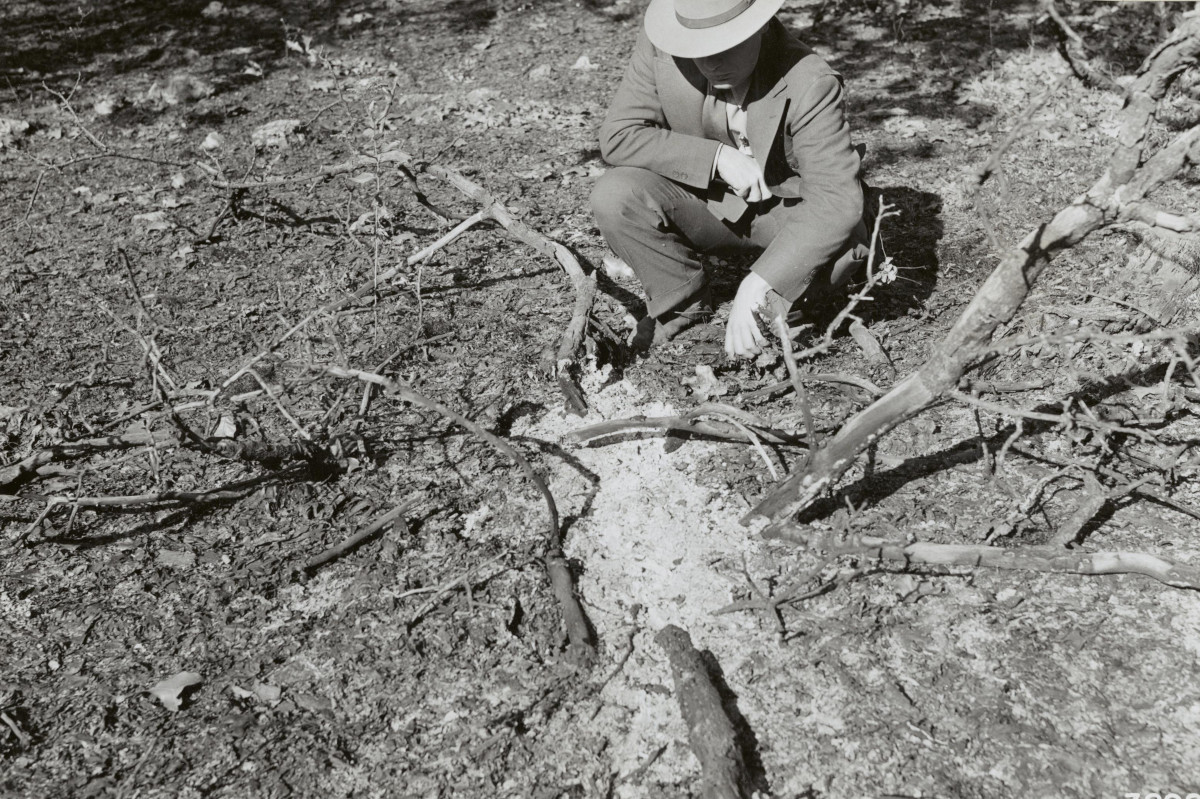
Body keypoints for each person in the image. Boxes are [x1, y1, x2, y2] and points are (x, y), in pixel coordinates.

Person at [591, 0, 873, 359]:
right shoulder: (664, 48)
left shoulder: (810, 80)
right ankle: (682, 305)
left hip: (787, 215)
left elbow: (836, 201)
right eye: (697, 49)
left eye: (724, 46)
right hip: (708, 204)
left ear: (759, 28)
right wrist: (718, 159)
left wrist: (756, 284)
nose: (709, 62)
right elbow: (618, 135)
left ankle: (774, 314)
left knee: (843, 246)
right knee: (616, 196)